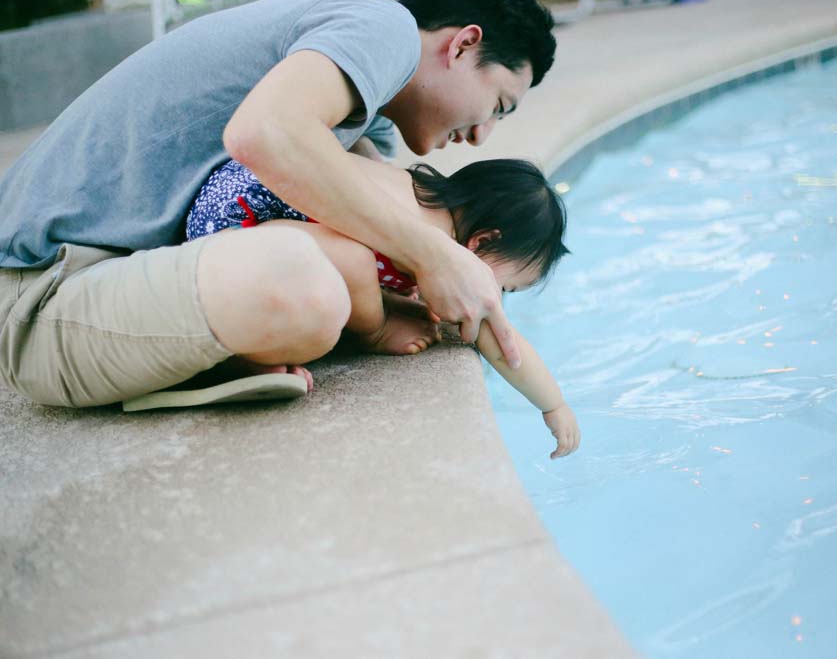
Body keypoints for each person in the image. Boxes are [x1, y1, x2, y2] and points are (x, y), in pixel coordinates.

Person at [0, 0, 557, 407]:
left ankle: (210, 358)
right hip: (42, 294)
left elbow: (370, 235)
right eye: (500, 105)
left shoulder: (363, 120)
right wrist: (435, 256)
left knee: (319, 284)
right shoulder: (383, 27)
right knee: (304, 290)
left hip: (109, 285)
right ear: (463, 45)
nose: (484, 136)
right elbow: (261, 134)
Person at [174, 155, 580, 458]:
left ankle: (246, 344)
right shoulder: (425, 236)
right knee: (343, 278)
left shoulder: (413, 192)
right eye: (504, 286)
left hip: (232, 200)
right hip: (232, 231)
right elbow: (500, 339)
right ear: (482, 242)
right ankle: (240, 356)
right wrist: (553, 404)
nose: (496, 300)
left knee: (344, 268)